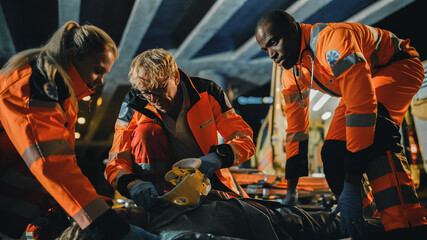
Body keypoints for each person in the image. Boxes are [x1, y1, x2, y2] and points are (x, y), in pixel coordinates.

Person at [255, 9, 427, 239]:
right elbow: (296, 131)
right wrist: (291, 190)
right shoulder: (291, 75)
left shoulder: (332, 40)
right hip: (362, 84)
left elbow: (362, 110)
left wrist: (352, 183)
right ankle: (368, 221)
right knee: (332, 154)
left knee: (377, 137)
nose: (271, 55)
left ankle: (407, 226)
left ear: (293, 29)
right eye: (265, 50)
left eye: (274, 42)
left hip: (398, 67)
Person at [0, 21, 157, 240]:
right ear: (73, 55)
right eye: (98, 70)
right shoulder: (33, 84)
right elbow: (51, 163)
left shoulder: (61, 97)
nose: (102, 81)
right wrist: (105, 225)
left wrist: (103, 207)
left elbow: (57, 169)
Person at [105, 48, 255, 210]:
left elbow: (245, 139)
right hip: (159, 194)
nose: (154, 99)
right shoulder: (134, 105)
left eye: (160, 88)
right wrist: (133, 184)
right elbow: (116, 161)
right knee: (145, 132)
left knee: (252, 216)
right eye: (146, 93)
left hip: (210, 181)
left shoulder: (207, 92)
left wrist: (218, 156)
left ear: (176, 77)